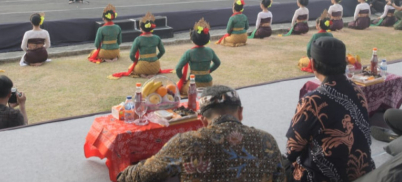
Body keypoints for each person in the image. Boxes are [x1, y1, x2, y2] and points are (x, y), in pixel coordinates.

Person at [119, 85, 285, 182]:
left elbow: (142, 175)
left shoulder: (186, 143)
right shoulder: (266, 140)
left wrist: (123, 174)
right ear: (240, 112)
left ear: (202, 120)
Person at [286, 37, 374, 181]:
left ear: (313, 64)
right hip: (363, 172)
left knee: (280, 166)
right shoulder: (358, 91)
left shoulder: (312, 101)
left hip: (324, 177)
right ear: (344, 62)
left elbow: (292, 150)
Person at [175, 19, 221, 96]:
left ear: (193, 39)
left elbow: (178, 68)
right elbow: (218, 63)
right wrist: (209, 71)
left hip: (193, 84)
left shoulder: (189, 52)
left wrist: (183, 79)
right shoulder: (210, 51)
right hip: (208, 83)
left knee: (178, 86)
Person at [126, 12, 168, 77]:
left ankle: (144, 74)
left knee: (130, 68)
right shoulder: (157, 38)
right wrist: (156, 58)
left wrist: (137, 62)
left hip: (142, 66)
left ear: (141, 28)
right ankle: (151, 74)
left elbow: (131, 55)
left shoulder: (138, 39)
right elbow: (163, 51)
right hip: (155, 67)